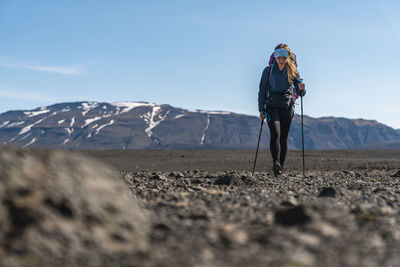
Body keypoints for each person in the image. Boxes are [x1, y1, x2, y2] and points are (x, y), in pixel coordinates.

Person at [258, 43, 306, 176]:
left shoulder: (293, 71)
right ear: (275, 56)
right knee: (275, 134)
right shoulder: (267, 71)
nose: (281, 59)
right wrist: (261, 109)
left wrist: (302, 89)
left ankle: (279, 169)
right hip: (271, 108)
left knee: (283, 138)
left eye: (284, 55)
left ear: (288, 57)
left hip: (287, 108)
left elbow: (299, 90)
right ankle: (276, 163)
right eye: (278, 55)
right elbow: (262, 90)